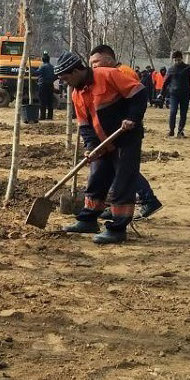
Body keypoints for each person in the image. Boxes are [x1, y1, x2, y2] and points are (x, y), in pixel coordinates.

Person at [56, 52, 147, 244]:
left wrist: (132, 117)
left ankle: (118, 229)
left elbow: (138, 93)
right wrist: (91, 147)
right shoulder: (76, 93)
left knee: (123, 183)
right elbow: (85, 125)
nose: (65, 83)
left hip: (125, 138)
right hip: (102, 142)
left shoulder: (107, 75)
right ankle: (88, 219)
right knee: (96, 178)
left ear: (77, 70)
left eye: (66, 78)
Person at [88, 45, 163, 219]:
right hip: (113, 135)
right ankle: (117, 205)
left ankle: (148, 199)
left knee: (126, 171)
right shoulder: (106, 74)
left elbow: (135, 100)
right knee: (118, 170)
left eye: (96, 62)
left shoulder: (123, 73)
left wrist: (130, 119)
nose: (93, 67)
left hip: (127, 134)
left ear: (108, 60)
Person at [164, 51, 190, 137]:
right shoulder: (171, 69)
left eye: (178, 60)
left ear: (181, 59)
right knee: (173, 111)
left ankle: (180, 131)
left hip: (185, 93)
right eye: (175, 60)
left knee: (183, 113)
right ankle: (171, 130)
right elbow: (166, 82)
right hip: (174, 94)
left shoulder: (188, 68)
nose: (177, 62)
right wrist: (162, 93)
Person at [37, 51, 56, 120]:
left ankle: (42, 116)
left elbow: (37, 73)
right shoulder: (52, 67)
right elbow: (56, 76)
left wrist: (29, 70)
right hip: (50, 85)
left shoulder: (42, 66)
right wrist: (52, 80)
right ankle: (50, 116)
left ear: (43, 59)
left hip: (42, 85)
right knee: (50, 101)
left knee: (42, 101)